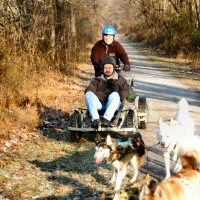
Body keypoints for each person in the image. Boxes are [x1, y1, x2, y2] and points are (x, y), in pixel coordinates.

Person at [85, 56, 130, 128]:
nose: (107, 70)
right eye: (105, 68)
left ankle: (106, 119)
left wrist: (118, 96)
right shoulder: (98, 80)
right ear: (103, 68)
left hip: (114, 104)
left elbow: (126, 91)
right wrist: (97, 95)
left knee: (115, 94)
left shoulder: (120, 80)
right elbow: (89, 89)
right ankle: (96, 120)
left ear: (114, 68)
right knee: (88, 94)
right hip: (100, 104)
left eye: (109, 68)